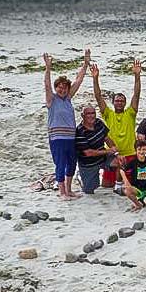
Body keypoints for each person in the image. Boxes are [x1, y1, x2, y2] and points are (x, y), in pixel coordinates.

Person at [43, 50, 89, 200]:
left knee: (71, 164)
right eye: (59, 88)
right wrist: (48, 68)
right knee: (60, 165)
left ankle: (69, 190)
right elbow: (47, 85)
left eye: (65, 88)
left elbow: (78, 80)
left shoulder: (68, 98)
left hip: (71, 137)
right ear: (57, 88)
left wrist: (85, 63)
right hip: (57, 138)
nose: (62, 90)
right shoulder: (52, 100)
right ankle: (62, 192)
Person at [90, 57, 140, 195]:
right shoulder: (108, 114)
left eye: (122, 101)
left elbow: (136, 94)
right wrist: (95, 78)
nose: (119, 103)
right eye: (117, 101)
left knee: (129, 184)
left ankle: (119, 184)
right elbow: (98, 97)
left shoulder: (130, 113)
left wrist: (137, 75)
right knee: (106, 185)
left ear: (125, 103)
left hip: (130, 154)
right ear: (113, 102)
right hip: (112, 155)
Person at [75, 105, 117, 194]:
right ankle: (80, 176)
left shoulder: (99, 122)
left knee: (120, 160)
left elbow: (107, 138)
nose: (91, 116)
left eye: (93, 113)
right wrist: (108, 151)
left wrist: (114, 150)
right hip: (88, 164)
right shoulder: (79, 131)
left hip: (103, 158)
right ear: (83, 116)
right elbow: (88, 153)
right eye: (88, 114)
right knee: (90, 191)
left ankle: (118, 184)